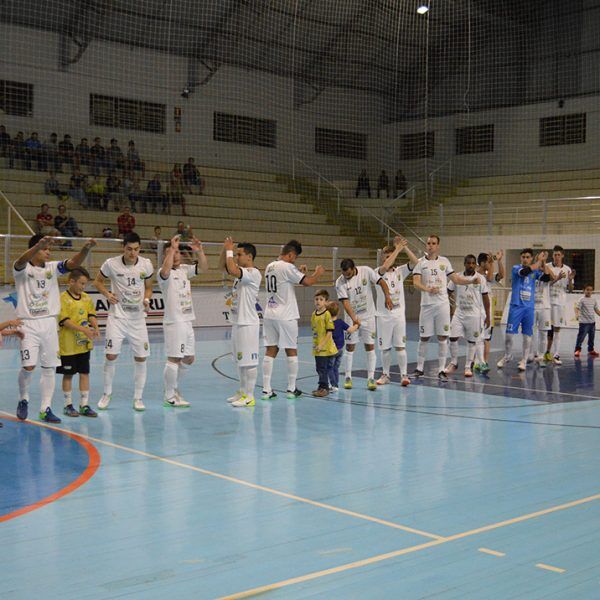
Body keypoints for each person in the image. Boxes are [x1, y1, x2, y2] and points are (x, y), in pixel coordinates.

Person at [14, 235, 96, 423]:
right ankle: (23, 398)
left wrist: (86, 249)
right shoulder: (22, 268)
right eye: (45, 248)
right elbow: (20, 261)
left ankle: (45, 408)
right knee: (28, 366)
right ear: (35, 248)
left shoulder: (52, 267)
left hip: (49, 323)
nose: (48, 252)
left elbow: (73, 263)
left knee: (49, 367)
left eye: (49, 249)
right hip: (29, 324)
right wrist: (37, 246)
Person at [93, 232, 154, 411]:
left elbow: (149, 288)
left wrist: (147, 300)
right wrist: (107, 294)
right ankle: (106, 394)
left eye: (136, 249)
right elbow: (97, 282)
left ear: (139, 249)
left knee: (141, 357)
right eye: (129, 249)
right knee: (111, 356)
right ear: (123, 248)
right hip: (117, 318)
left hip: (138, 319)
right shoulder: (111, 263)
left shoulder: (146, 264)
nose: (132, 253)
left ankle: (138, 397)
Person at [261, 240, 325, 400]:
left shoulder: (270, 266)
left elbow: (286, 282)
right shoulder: (287, 267)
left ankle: (266, 389)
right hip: (286, 315)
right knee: (291, 349)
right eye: (294, 257)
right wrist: (318, 273)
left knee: (270, 350)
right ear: (290, 254)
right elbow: (308, 282)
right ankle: (291, 389)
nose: (294, 260)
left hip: (270, 313)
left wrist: (298, 271)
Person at [412, 234, 480, 380]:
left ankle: (441, 370)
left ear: (438, 246)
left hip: (442, 305)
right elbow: (415, 282)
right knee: (424, 337)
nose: (430, 245)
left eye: (433, 243)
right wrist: (427, 289)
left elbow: (455, 279)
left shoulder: (444, 261)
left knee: (443, 337)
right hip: (426, 306)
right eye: (428, 243)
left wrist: (471, 281)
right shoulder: (420, 262)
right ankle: (419, 368)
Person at [159, 234, 208, 407]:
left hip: (187, 320)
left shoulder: (184, 270)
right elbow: (165, 271)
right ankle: (169, 396)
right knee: (174, 358)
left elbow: (203, 268)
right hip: (175, 322)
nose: (176, 254)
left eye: (177, 251)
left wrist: (200, 251)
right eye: (171, 252)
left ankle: (172, 388)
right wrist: (171, 249)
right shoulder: (163, 274)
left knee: (188, 358)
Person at [336, 257, 392, 390]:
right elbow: (345, 302)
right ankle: (348, 377)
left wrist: (388, 296)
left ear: (354, 268)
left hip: (369, 317)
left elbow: (382, 282)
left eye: (348, 274)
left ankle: (371, 378)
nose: (346, 276)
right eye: (344, 274)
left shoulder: (366, 271)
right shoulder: (340, 282)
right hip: (351, 318)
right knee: (350, 348)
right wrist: (354, 318)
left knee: (370, 346)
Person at [221, 238, 262, 407]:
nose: (237, 257)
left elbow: (231, 268)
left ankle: (250, 396)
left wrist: (230, 251)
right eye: (236, 254)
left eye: (240, 254)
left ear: (249, 257)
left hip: (248, 323)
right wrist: (225, 250)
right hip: (237, 322)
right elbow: (223, 266)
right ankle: (242, 391)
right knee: (240, 361)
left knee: (249, 362)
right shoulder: (240, 275)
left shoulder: (253, 273)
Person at [497, 249, 552, 371]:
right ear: (520, 258)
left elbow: (547, 278)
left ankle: (524, 359)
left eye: (528, 257)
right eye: (523, 257)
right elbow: (525, 272)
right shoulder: (516, 268)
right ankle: (508, 355)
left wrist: (543, 262)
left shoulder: (535, 270)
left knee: (527, 336)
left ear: (531, 258)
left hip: (529, 308)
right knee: (509, 336)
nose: (525, 259)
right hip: (516, 307)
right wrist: (539, 261)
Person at [375, 236, 418, 387]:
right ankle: (385, 375)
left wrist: (403, 247)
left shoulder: (400, 271)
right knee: (385, 347)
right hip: (383, 317)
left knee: (400, 346)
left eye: (390, 256)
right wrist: (397, 249)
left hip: (398, 315)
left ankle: (404, 375)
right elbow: (386, 267)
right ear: (382, 259)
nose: (389, 259)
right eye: (386, 257)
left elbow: (415, 262)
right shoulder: (378, 273)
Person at [57, 268, 100, 418]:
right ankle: (68, 405)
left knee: (84, 373)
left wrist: (95, 327)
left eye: (85, 284)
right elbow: (65, 321)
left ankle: (84, 405)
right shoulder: (63, 298)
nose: (83, 287)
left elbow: (91, 314)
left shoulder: (86, 298)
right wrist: (84, 329)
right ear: (71, 281)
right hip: (68, 345)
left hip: (83, 344)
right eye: (81, 283)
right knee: (68, 374)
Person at [445, 255, 491, 377]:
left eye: (473, 263)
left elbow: (486, 299)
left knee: (472, 341)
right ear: (464, 263)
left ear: (475, 264)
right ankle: (454, 363)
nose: (470, 265)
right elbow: (447, 292)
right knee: (452, 338)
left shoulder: (480, 278)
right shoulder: (457, 277)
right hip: (459, 314)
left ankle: (468, 366)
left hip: (474, 315)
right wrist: (450, 307)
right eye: (468, 263)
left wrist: (488, 316)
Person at [475, 250, 505, 372]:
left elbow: (501, 275)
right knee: (476, 337)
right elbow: (488, 278)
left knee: (486, 338)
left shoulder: (490, 273)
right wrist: (492, 264)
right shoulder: (475, 274)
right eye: (488, 261)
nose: (490, 263)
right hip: (475, 310)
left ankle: (484, 363)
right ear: (482, 263)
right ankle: (475, 362)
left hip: (487, 311)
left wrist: (499, 261)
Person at [546, 245, 575, 365]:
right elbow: (545, 284)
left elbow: (570, 290)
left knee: (557, 328)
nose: (556, 257)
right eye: (554, 254)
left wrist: (570, 280)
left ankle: (556, 354)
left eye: (558, 255)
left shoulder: (567, 269)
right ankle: (545, 352)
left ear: (562, 255)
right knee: (546, 328)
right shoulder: (547, 266)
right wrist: (557, 278)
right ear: (552, 255)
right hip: (547, 301)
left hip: (560, 303)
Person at [309, 290, 338, 397]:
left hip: (324, 348)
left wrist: (322, 344)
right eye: (316, 299)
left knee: (323, 368)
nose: (318, 301)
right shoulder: (313, 314)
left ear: (326, 302)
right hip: (317, 348)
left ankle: (324, 388)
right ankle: (321, 386)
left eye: (321, 299)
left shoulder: (327, 314)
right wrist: (316, 344)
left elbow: (329, 332)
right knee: (319, 368)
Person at [326, 302, 358, 392]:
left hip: (331, 350)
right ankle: (336, 384)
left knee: (330, 368)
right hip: (340, 349)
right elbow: (351, 330)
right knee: (336, 367)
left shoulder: (327, 323)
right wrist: (357, 324)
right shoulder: (340, 322)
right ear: (338, 312)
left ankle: (333, 385)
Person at [532, 253, 555, 366]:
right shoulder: (531, 272)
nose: (541, 261)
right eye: (539, 259)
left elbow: (552, 278)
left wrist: (545, 264)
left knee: (543, 333)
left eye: (543, 259)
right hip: (532, 307)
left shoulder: (547, 271)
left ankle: (541, 356)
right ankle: (532, 354)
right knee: (530, 332)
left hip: (545, 307)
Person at [574, 285, 600, 358]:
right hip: (584, 323)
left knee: (592, 338)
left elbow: (596, 310)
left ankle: (591, 350)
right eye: (587, 290)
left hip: (592, 323)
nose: (589, 291)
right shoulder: (581, 299)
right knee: (581, 337)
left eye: (591, 290)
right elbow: (577, 308)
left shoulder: (594, 300)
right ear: (584, 290)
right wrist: (577, 315)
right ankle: (577, 350)